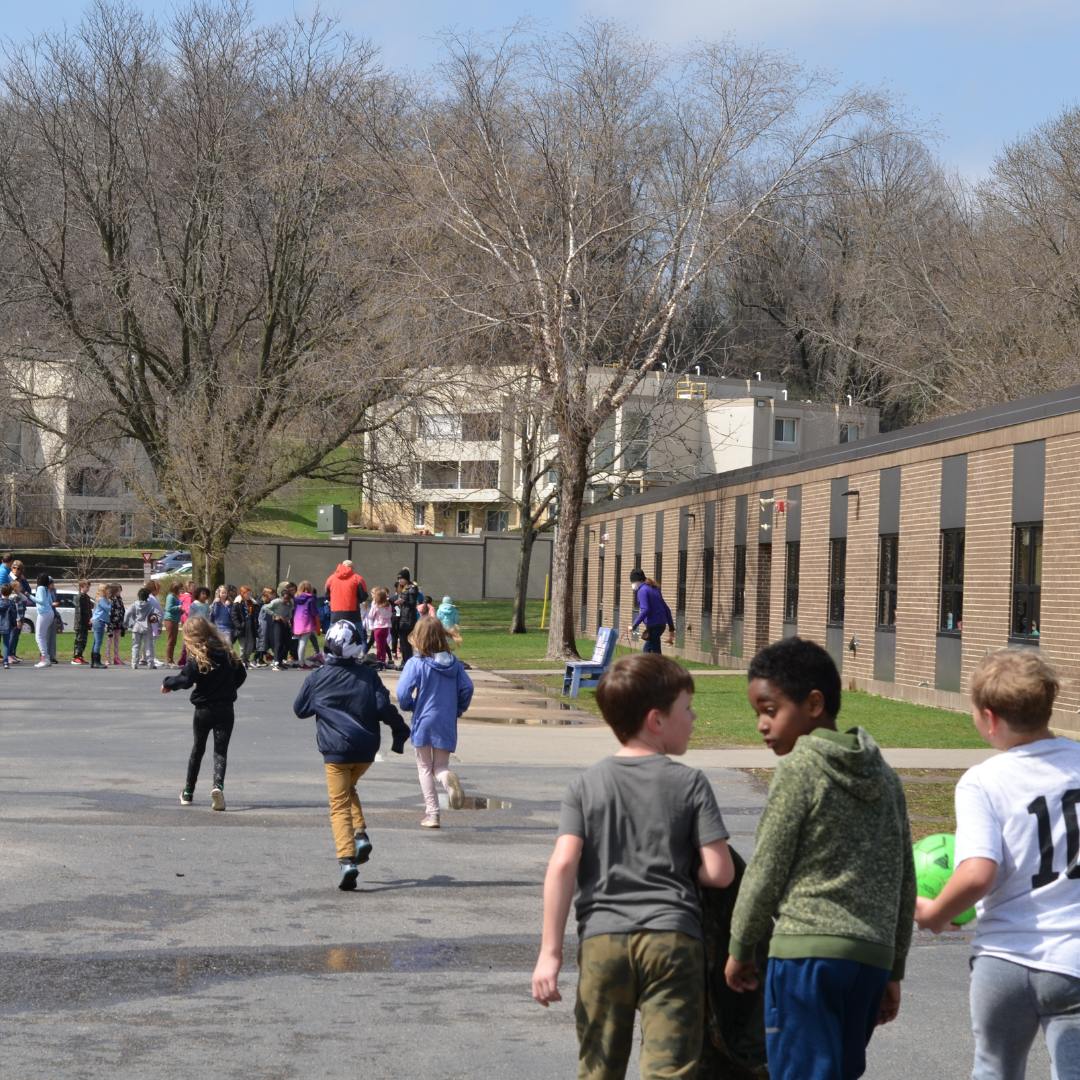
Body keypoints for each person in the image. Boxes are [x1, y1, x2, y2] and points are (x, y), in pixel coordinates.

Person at [531, 653, 734, 1079]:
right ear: (656, 720)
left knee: (599, 1069)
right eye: (687, 708)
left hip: (603, 940)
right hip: (672, 940)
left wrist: (550, 955)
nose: (694, 717)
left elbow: (564, 863)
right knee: (670, 1069)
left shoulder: (584, 786)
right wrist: (685, 868)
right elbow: (720, 873)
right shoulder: (691, 783)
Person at [725, 637, 915, 1080]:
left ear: (814, 703)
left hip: (806, 958)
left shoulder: (799, 768)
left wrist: (741, 946)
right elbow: (905, 880)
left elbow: (767, 869)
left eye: (770, 710)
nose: (761, 725)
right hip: (870, 961)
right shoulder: (886, 778)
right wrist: (893, 967)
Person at [915, 649, 1080, 1080]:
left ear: (989, 718)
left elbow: (977, 873)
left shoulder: (983, 781)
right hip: (1073, 961)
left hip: (1003, 960)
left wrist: (935, 913)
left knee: (993, 1070)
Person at [292, 620, 411, 890]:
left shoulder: (317, 677)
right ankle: (360, 834)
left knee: (338, 804)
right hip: (366, 751)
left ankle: (347, 860)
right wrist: (400, 732)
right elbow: (385, 708)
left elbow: (300, 710)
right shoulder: (369, 677)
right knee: (349, 789)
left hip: (336, 752)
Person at [395, 616, 474, 829]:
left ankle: (432, 814)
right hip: (446, 721)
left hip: (424, 719)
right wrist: (458, 708)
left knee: (424, 767)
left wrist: (410, 705)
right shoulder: (455, 664)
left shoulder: (416, 663)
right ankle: (448, 779)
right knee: (440, 766)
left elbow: (402, 693)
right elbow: (467, 688)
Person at [163, 616, 247, 811]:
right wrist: (229, 688)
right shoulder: (226, 651)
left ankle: (188, 792)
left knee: (198, 749)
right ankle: (217, 787)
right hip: (225, 708)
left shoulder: (199, 655)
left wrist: (167, 683)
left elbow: (185, 679)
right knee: (220, 751)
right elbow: (241, 673)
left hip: (203, 709)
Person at [628, 567, 674, 654]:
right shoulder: (655, 589)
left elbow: (645, 610)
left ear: (637, 580)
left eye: (633, 582)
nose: (633, 584)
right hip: (661, 625)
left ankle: (660, 667)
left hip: (654, 626)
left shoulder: (642, 590)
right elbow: (667, 609)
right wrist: (671, 628)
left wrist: (634, 625)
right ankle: (650, 667)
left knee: (654, 654)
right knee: (647, 651)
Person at [325, 560, 368, 628]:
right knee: (359, 636)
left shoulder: (331, 579)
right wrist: (357, 601)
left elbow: (327, 596)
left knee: (334, 635)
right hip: (353, 612)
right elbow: (364, 595)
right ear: (352, 567)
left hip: (335, 613)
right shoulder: (357, 578)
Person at [392, 569, 422, 668]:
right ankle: (404, 661)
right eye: (399, 578)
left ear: (406, 578)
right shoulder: (401, 589)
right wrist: (395, 605)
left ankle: (408, 662)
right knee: (402, 641)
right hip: (401, 618)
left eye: (402, 578)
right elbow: (399, 606)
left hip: (408, 619)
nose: (400, 580)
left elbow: (413, 604)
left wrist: (403, 602)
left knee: (406, 642)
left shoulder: (412, 588)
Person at [124, 587, 159, 669]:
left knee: (135, 645)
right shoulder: (151, 605)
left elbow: (127, 614)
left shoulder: (134, 604)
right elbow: (157, 614)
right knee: (149, 645)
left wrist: (125, 624)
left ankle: (134, 662)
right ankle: (150, 662)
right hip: (147, 626)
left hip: (136, 626)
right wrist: (155, 618)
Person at [264, 581, 294, 671]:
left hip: (283, 624)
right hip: (277, 623)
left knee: (288, 643)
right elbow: (265, 607)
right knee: (278, 643)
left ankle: (279, 660)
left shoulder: (288, 604)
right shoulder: (276, 602)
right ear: (281, 597)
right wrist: (275, 615)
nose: (286, 601)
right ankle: (276, 662)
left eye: (288, 599)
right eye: (285, 598)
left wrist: (287, 618)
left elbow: (290, 613)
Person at [292, 581, 321, 668]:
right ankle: (301, 663)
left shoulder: (296, 598)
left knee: (300, 642)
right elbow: (313, 611)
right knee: (303, 642)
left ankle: (299, 660)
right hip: (307, 621)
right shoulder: (311, 598)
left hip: (297, 620)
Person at [231, 585, 259, 666]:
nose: (249, 596)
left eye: (250, 594)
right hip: (242, 625)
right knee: (243, 645)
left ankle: (246, 658)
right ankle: (242, 660)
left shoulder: (251, 603)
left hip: (250, 625)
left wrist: (254, 602)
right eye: (247, 594)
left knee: (250, 644)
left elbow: (256, 612)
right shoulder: (237, 603)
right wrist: (239, 625)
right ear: (242, 594)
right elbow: (234, 616)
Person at [33, 573, 56, 668]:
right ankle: (46, 658)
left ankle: (45, 658)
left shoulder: (40, 588)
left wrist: (30, 597)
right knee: (43, 636)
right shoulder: (47, 589)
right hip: (50, 612)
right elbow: (50, 602)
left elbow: (41, 601)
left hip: (43, 613)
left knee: (39, 636)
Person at [366, 586, 392, 663]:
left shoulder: (375, 606)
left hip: (378, 627)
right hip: (386, 626)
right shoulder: (389, 605)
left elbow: (370, 615)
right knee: (383, 644)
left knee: (378, 645)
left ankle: (378, 661)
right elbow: (390, 614)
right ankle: (383, 661)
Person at [90, 584, 112, 669]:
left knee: (96, 641)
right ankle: (96, 661)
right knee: (98, 642)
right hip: (99, 621)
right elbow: (108, 609)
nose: (109, 591)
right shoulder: (102, 599)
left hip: (99, 621)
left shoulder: (101, 599)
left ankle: (94, 661)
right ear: (104, 591)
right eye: (108, 590)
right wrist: (110, 602)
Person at [71, 578, 92, 666]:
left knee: (84, 640)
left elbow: (89, 609)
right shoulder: (79, 597)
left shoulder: (86, 597)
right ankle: (76, 657)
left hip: (86, 622)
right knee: (79, 640)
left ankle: (80, 655)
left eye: (88, 587)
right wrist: (81, 622)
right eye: (86, 587)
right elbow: (79, 611)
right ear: (81, 587)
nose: (88, 588)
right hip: (80, 623)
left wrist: (90, 619)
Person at [254, 586, 276, 667]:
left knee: (266, 642)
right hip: (262, 623)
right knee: (261, 641)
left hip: (268, 622)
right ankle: (256, 658)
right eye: (272, 594)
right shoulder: (260, 603)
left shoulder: (270, 602)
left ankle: (261, 659)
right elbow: (257, 614)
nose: (273, 596)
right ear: (267, 594)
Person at [7, 581, 25, 663]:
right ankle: (9, 654)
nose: (20, 588)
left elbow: (25, 598)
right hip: (15, 620)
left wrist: (19, 593)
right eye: (19, 587)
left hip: (17, 619)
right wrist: (18, 620)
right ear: (14, 588)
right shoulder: (14, 597)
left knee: (15, 637)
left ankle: (11, 654)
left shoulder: (17, 596)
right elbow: (15, 610)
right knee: (12, 637)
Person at [108, 583, 126, 666]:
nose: (119, 592)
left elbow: (122, 611)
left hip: (119, 623)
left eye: (120, 590)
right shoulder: (111, 599)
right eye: (118, 590)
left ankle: (116, 657)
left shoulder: (119, 599)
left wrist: (123, 623)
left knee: (116, 641)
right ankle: (107, 658)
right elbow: (110, 611)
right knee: (109, 641)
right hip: (112, 623)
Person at [0, 583, 17, 668]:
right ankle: (6, 661)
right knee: (6, 643)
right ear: (10, 593)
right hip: (7, 626)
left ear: (0, 592)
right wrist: (14, 624)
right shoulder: (11, 603)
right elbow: (13, 615)